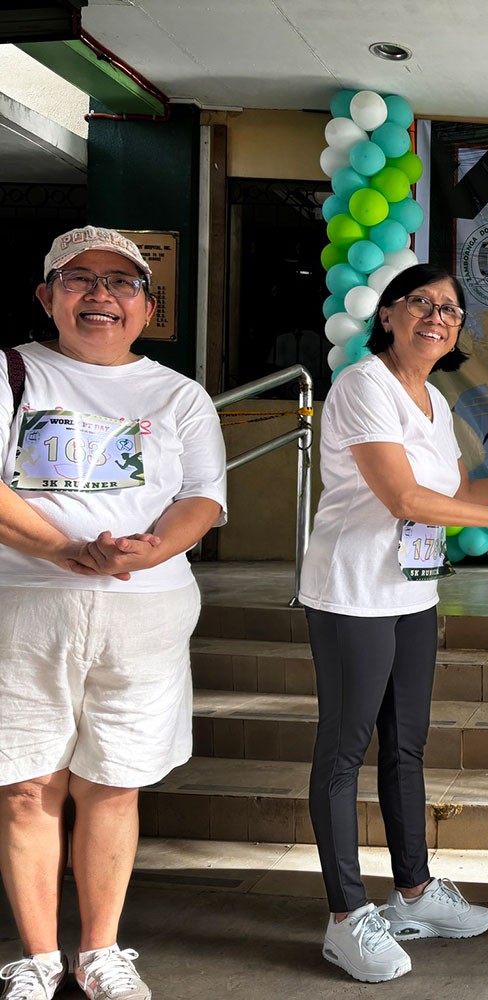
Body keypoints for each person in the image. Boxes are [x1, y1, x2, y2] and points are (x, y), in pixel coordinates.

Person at [298, 263, 488, 984]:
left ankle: (413, 895)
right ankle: (344, 917)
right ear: (387, 315)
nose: (437, 316)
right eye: (421, 302)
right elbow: (406, 499)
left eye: (450, 309)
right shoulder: (364, 386)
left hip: (411, 593)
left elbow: (454, 491)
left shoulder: (432, 401)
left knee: (406, 748)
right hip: (353, 592)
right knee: (343, 752)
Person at [0, 226, 227, 1000]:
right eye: (79, 278)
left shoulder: (178, 395)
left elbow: (203, 497)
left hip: (147, 610)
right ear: (47, 296)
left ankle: (100, 952)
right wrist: (65, 551)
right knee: (27, 785)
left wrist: (152, 549)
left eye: (122, 282)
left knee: (115, 782)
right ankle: (35, 960)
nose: (101, 294)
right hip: (26, 605)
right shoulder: (13, 373)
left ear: (148, 306)